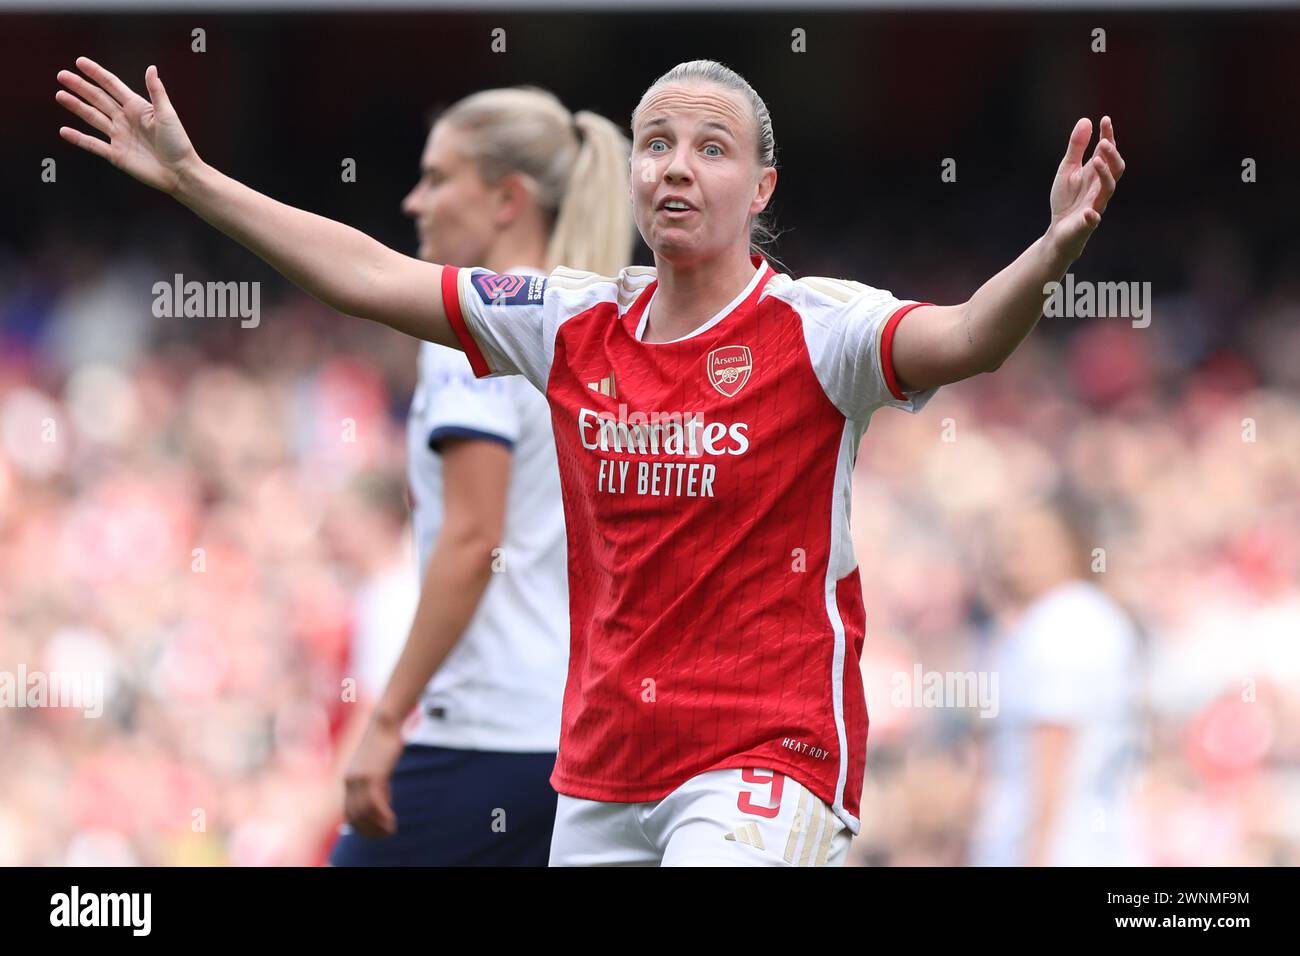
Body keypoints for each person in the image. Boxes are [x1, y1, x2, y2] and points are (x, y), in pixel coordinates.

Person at [56, 55, 1125, 867]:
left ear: (759, 187)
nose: (675, 164)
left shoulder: (819, 329)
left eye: (711, 147)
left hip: (766, 753)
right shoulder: (569, 318)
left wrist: (1051, 250)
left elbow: (970, 337)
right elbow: (371, 275)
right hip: (603, 768)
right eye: (656, 142)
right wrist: (195, 180)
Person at [329, 87, 633, 866]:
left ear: (508, 199)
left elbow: (472, 537)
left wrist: (388, 718)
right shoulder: (583, 319)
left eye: (437, 178)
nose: (414, 199)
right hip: (575, 732)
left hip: (486, 731)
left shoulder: (481, 329)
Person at [970, 496, 1147, 867]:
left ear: (1070, 548)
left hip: (1058, 846)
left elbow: (1054, 746)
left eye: (1027, 545)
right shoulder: (1091, 616)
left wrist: (1036, 855)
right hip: (1098, 841)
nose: (1012, 558)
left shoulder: (1061, 623)